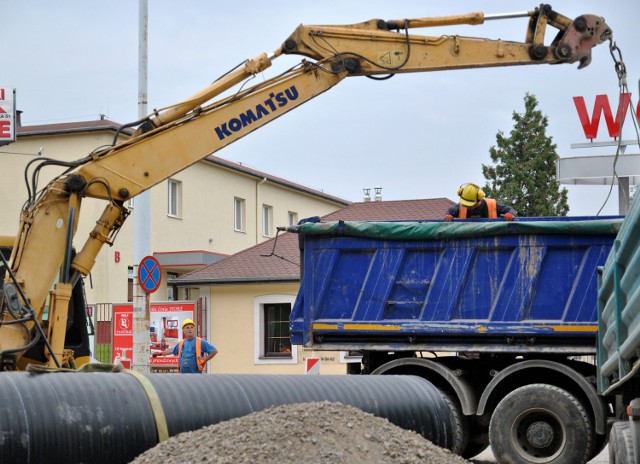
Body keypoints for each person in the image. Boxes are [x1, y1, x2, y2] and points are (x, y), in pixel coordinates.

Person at [152, 319, 218, 373]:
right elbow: (172, 350)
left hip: (196, 376)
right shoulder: (182, 343)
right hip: (183, 376)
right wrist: (160, 353)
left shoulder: (200, 341)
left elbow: (214, 351)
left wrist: (205, 360)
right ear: (183, 330)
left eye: (192, 328)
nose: (190, 329)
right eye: (187, 328)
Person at [444, 183, 516, 221]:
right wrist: (448, 216)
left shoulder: (492, 204)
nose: (467, 206)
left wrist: (510, 214)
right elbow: (448, 212)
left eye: (470, 204)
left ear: (479, 198)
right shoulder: (461, 206)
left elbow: (511, 210)